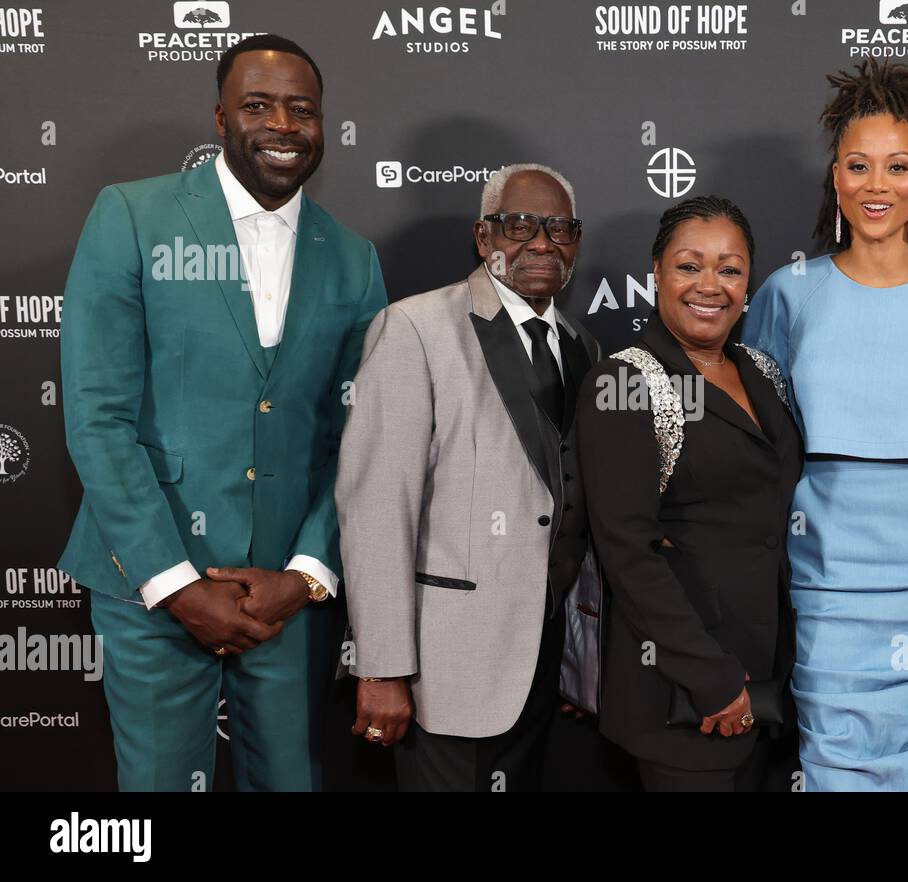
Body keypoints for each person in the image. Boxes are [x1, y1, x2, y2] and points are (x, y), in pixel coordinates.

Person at [59, 35, 388, 791]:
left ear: (324, 124)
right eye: (258, 105)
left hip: (287, 603)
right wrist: (175, 584)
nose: (282, 123)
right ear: (219, 118)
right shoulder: (132, 217)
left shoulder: (352, 257)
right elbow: (98, 416)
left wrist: (306, 576)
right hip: (150, 588)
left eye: (301, 109)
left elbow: (361, 437)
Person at [741, 59, 908, 791]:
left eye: (895, 167)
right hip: (827, 578)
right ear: (835, 178)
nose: (876, 185)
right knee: (833, 768)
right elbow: (761, 443)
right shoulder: (787, 295)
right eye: (858, 166)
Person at [337, 164, 600, 792]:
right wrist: (381, 668)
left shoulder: (581, 345)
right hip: (444, 667)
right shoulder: (417, 329)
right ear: (484, 239)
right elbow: (377, 509)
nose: (541, 243)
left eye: (559, 228)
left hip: (542, 662)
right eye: (520, 225)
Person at [577, 196, 802, 792]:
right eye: (689, 266)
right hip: (684, 697)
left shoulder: (762, 371)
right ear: (656, 272)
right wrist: (712, 679)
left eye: (729, 269)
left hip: (770, 687)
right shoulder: (624, 381)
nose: (711, 285)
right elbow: (627, 551)